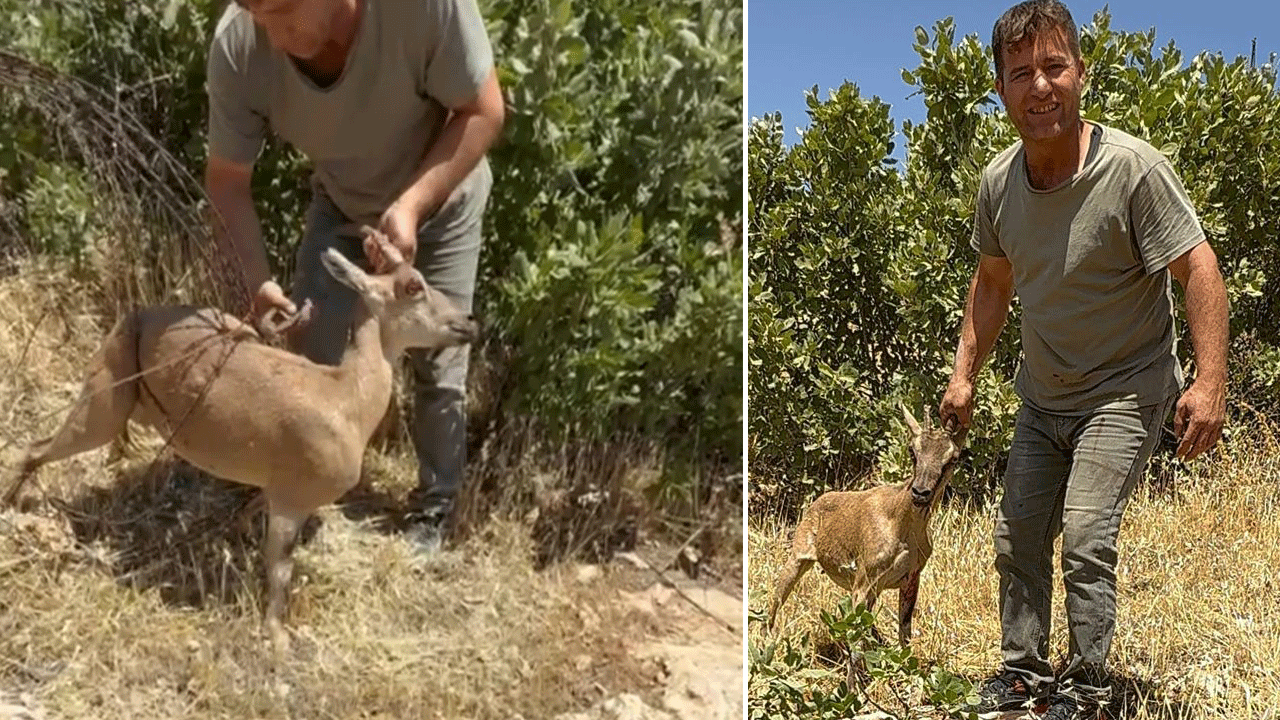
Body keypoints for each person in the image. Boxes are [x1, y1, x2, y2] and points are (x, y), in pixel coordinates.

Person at [938, 1, 1229, 718]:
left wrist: (1211, 382)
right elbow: (994, 281)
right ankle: (1022, 674)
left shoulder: (1132, 170)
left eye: (1054, 67)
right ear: (1000, 89)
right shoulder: (998, 184)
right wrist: (964, 371)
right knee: (1017, 534)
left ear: (1081, 75)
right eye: (1021, 73)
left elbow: (1198, 267)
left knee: (1088, 532)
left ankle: (1089, 686)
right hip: (1044, 393)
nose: (1040, 86)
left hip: (1125, 389)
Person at [203, 0, 505, 552]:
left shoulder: (420, 11)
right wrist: (255, 285)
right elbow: (226, 182)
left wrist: (411, 207)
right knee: (312, 357)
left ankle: (433, 514)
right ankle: (306, 493)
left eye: (285, 14)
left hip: (442, 197)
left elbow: (483, 111)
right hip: (342, 204)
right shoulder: (240, 41)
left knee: (439, 365)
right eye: (258, 17)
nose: (271, 37)